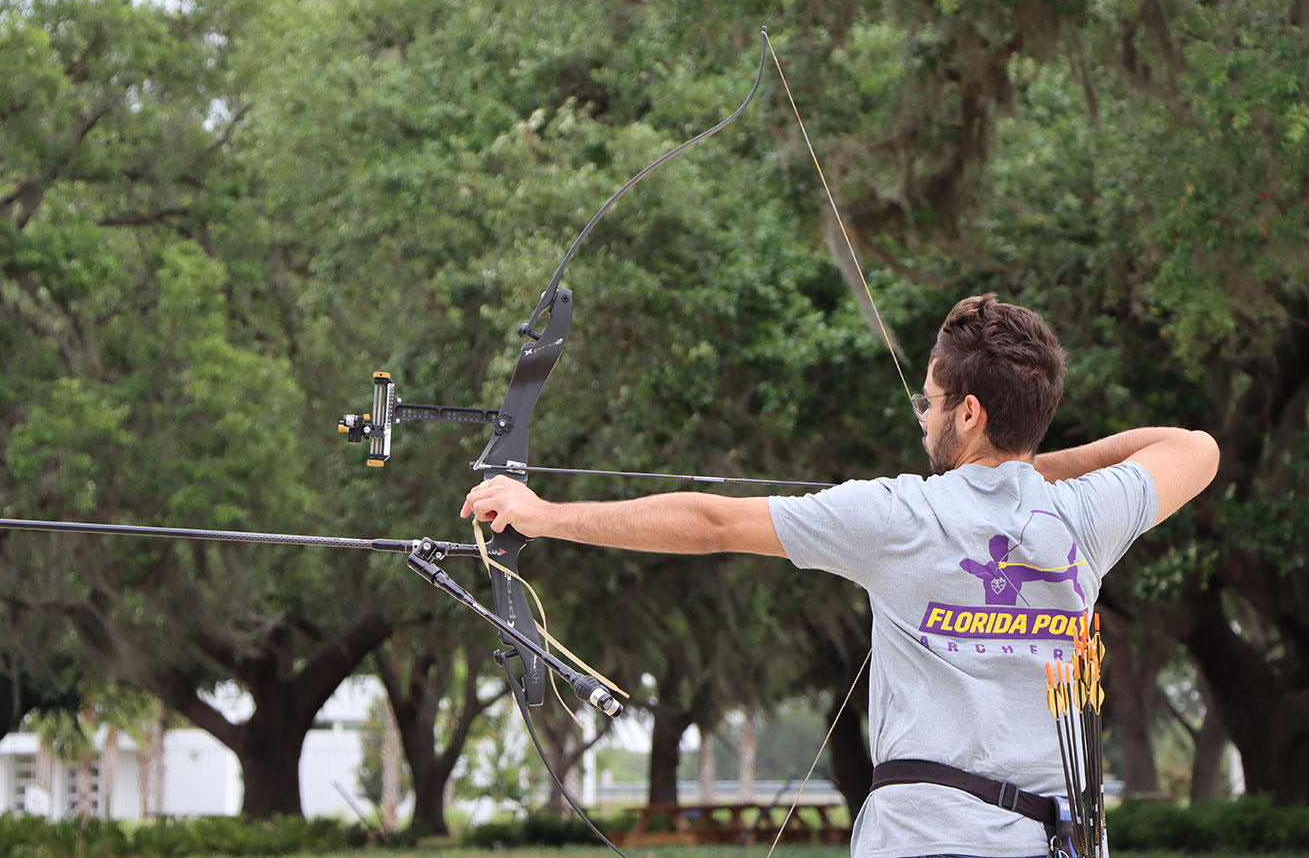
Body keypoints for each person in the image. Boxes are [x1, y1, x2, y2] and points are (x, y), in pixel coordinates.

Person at [461, 293, 1218, 858]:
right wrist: (1021, 471)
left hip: (926, 839)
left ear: (968, 414)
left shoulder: (901, 516)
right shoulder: (1084, 517)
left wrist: (544, 513)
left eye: (931, 402)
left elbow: (712, 524)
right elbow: (1193, 447)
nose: (922, 416)